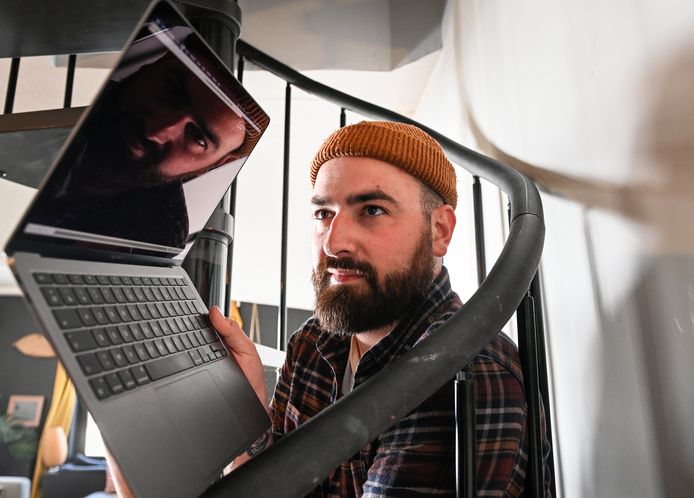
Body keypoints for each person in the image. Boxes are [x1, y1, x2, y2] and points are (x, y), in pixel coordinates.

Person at [111, 121, 550, 497]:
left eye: (372, 210)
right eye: (324, 213)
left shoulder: (465, 374)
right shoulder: (314, 342)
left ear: (439, 231)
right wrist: (243, 416)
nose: (335, 242)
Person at [30, 30, 251, 248]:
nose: (158, 130)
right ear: (150, 68)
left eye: (198, 138)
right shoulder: (49, 100)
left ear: (211, 166)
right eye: (171, 90)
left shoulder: (160, 231)